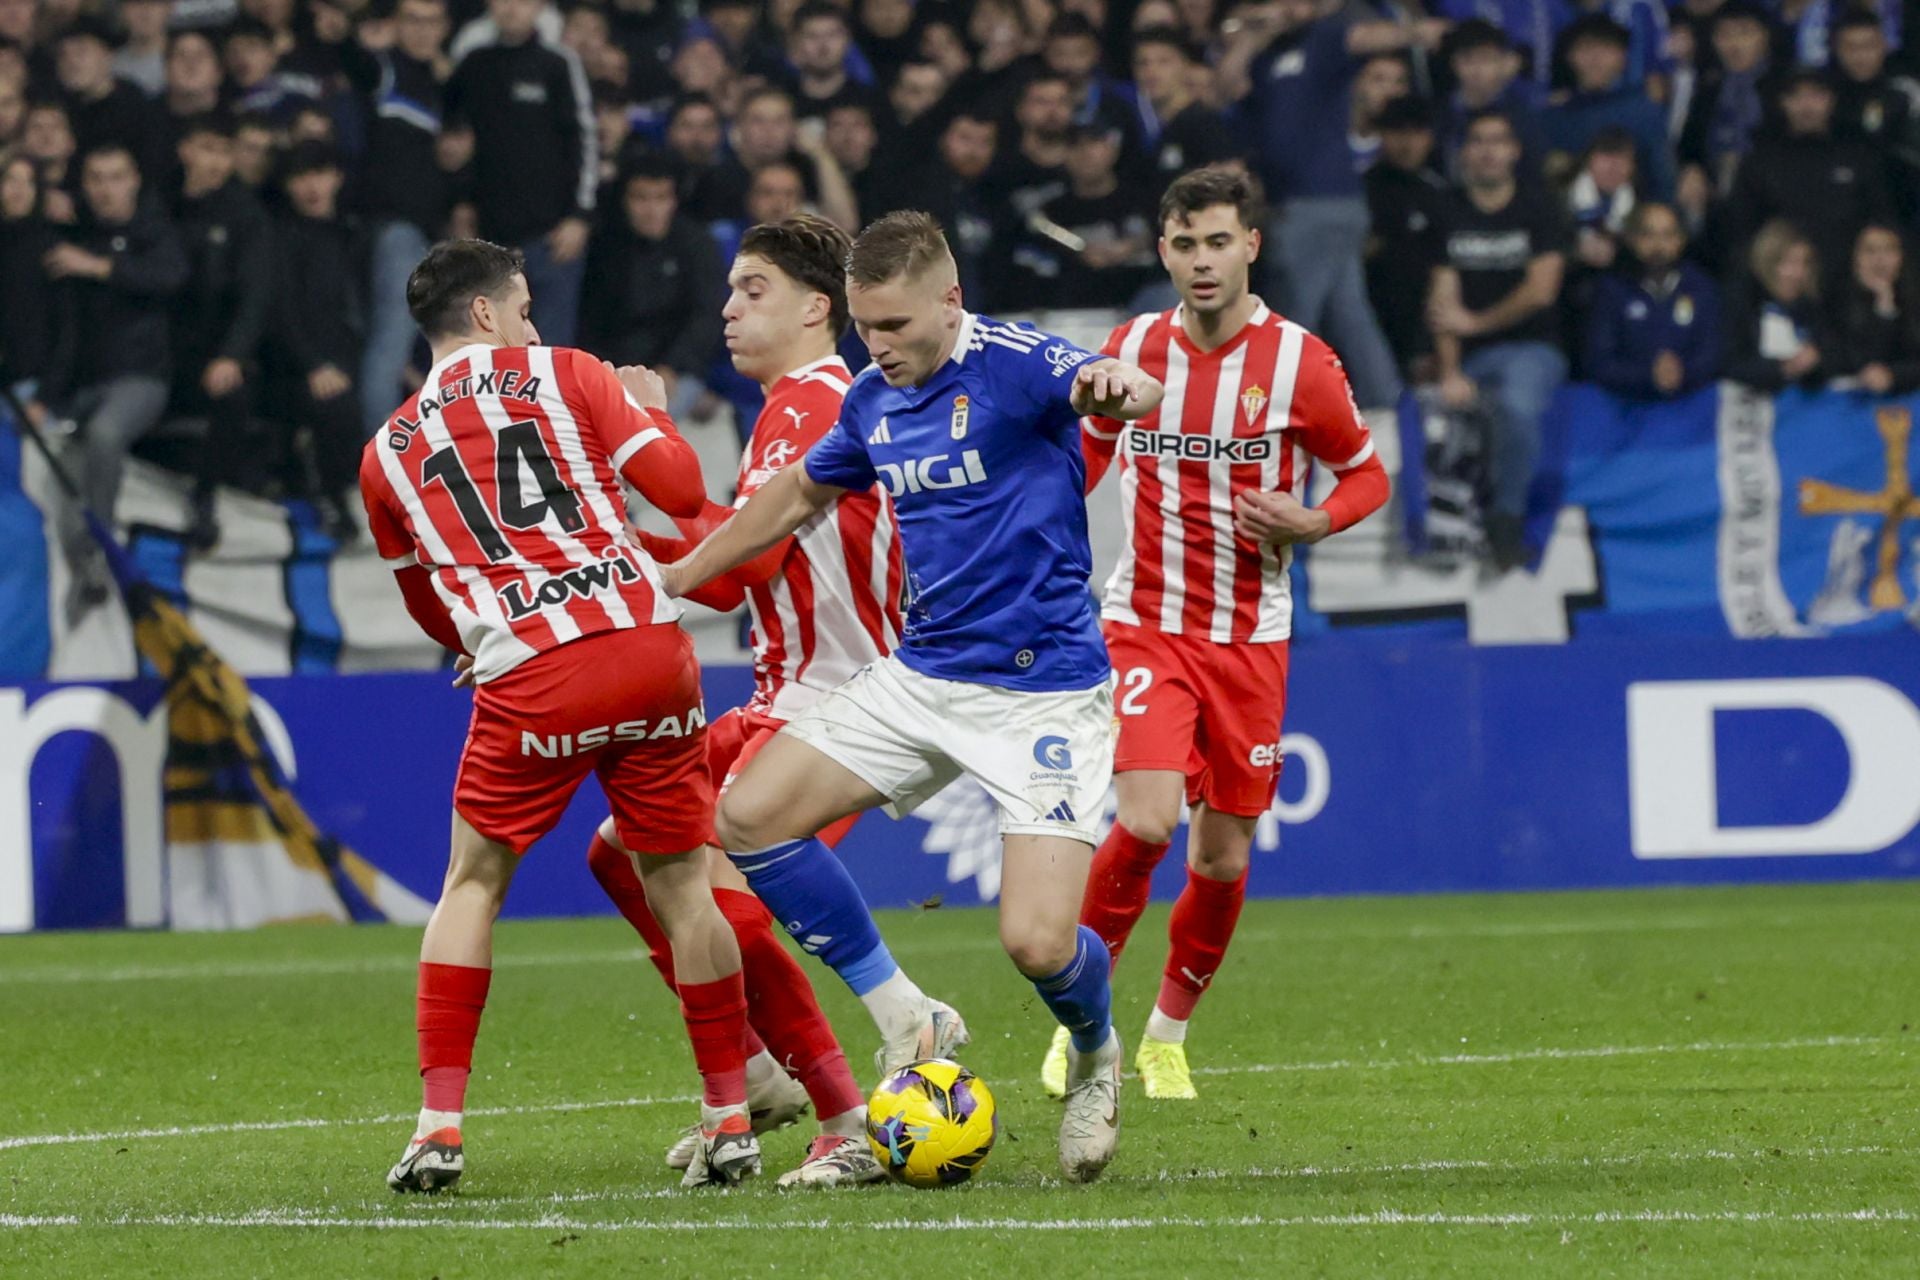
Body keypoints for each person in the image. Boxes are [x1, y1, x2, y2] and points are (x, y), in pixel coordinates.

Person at [660, 211, 1165, 1184]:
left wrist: (1121, 387)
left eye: (893, 327)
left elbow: (1118, 385)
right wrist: (686, 571)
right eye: (864, 325)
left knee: (1036, 939)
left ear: (950, 301)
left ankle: (1098, 1055)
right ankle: (907, 1010)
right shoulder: (868, 397)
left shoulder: (1017, 363)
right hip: (924, 673)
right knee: (749, 815)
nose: (876, 347)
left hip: (1043, 693)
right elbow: (796, 496)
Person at [361, 239, 756, 1193]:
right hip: (647, 653)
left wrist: (471, 644)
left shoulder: (387, 453)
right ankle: (730, 1116)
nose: (536, 324)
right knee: (684, 888)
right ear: (489, 315)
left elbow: (423, 599)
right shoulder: (571, 373)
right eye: (526, 307)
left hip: (533, 673)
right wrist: (655, 413)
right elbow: (678, 492)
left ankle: (439, 1127)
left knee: (472, 885)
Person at [1037, 164, 1388, 1102]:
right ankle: (1085, 1021)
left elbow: (1365, 475)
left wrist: (1312, 521)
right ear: (1164, 251)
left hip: (1250, 638)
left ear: (1251, 248)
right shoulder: (1135, 345)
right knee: (1148, 818)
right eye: (1185, 244)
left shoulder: (1300, 364)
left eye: (1218, 242)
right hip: (1145, 622)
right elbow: (1083, 460)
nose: (1202, 261)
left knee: (1220, 857)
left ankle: (1166, 1036)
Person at [588, 215, 903, 1189]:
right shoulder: (791, 405)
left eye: (753, 289)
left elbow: (748, 552)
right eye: (728, 289)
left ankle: (847, 1114)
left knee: (719, 884)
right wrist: (623, 533)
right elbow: (723, 578)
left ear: (819, 308)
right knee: (622, 851)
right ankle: (760, 1074)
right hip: (787, 689)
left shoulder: (816, 401)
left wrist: (654, 443)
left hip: (838, 699)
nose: (728, 307)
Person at [1219, 0, 1445, 407]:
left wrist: (1413, 32)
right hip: (1310, 204)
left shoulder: (1322, 38)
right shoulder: (1268, 55)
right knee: (1351, 318)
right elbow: (1226, 86)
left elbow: (1363, 37)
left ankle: (1282, 420)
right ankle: (1388, 411)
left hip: (1318, 203)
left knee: (1294, 319)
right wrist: (1253, 35)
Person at [41, 142, 187, 614]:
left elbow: (171, 277)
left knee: (104, 435)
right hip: (81, 386)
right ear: (84, 186)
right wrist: (45, 398)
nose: (106, 189)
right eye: (96, 179)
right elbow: (63, 331)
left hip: (141, 379)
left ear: (135, 181)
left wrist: (99, 268)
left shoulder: (154, 231)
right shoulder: (73, 237)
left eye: (116, 177)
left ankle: (97, 556)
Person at [1428, 109, 1569, 572]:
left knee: (1517, 406)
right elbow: (1443, 300)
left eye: (1498, 140)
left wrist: (1476, 325)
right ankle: (1432, 537)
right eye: (1478, 141)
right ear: (1465, 152)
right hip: (1469, 354)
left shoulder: (1540, 207)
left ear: (1514, 151)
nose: (1488, 150)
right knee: (1427, 411)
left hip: (1533, 348)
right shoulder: (1446, 208)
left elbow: (1542, 290)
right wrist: (1449, 370)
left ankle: (1506, 517)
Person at [444, 0, 597, 347]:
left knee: (552, 353)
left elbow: (584, 138)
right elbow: (452, 141)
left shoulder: (558, 64)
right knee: (488, 352)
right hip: (488, 241)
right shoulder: (472, 64)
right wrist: (460, 202)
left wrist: (580, 216)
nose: (511, 7)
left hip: (553, 237)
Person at [343, 0, 456, 432]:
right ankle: (379, 463)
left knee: (413, 351)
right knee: (388, 346)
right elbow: (353, 61)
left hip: (429, 234)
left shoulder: (441, 82)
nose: (423, 31)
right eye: (413, 20)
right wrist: (359, 36)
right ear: (395, 25)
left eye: (432, 22)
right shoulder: (385, 68)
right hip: (392, 229)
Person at [171, 115, 277, 550]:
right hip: (158, 347)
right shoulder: (158, 201)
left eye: (222, 151)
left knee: (232, 394)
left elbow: (256, 296)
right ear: (185, 151)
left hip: (212, 348)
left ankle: (205, 499)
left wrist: (232, 354)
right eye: (205, 149)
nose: (214, 161)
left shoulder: (245, 216)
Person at [266, 143, 367, 542]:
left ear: (337, 178)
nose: (312, 186)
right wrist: (312, 365)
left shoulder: (352, 233)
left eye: (320, 174)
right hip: (294, 366)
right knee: (335, 411)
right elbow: (280, 311)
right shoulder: (280, 236)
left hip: (344, 360)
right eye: (300, 177)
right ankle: (332, 501)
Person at [579, 155, 724, 423]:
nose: (651, 209)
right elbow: (588, 320)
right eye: (641, 198)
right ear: (624, 200)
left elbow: (707, 315)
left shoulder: (696, 244)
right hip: (611, 372)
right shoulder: (603, 247)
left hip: (678, 371)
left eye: (661, 198)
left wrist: (672, 367)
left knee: (647, 424)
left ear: (674, 201)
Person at [1722, 69, 1894, 288]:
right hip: (1779, 283)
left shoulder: (1859, 156)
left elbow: (1881, 222)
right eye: (1796, 96)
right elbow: (1742, 229)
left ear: (1831, 100)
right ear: (1782, 102)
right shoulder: (1761, 161)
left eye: (1816, 95)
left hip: (1848, 284)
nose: (1807, 105)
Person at [1584, 201, 1722, 398]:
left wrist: (1682, 373)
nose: (1658, 246)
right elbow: (1599, 361)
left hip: (1690, 405)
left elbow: (1712, 354)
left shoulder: (1701, 288)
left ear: (1680, 240)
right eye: (1648, 235)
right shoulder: (1613, 290)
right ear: (1632, 239)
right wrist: (1647, 374)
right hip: (1627, 407)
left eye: (1667, 235)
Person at [1542, 14, 1673, 199]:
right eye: (1586, 48)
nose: (1596, 58)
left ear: (1623, 58)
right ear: (1570, 56)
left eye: (1606, 48)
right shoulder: (1552, 117)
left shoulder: (1644, 111)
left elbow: (1662, 179)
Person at [1365, 95, 1448, 379]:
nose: (1407, 143)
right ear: (1382, 136)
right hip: (1371, 322)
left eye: (1417, 133)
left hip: (1422, 328)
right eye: (1397, 132)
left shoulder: (1439, 193)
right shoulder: (1360, 191)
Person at [1723, 219, 1829, 391]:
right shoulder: (1743, 302)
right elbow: (1730, 363)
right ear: (1768, 262)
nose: (1798, 273)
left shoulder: (1811, 308)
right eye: (1790, 263)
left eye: (1805, 263)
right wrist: (1783, 369)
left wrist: (1816, 361)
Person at [1827, 222, 1920, 395]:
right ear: (1856, 258)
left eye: (1888, 250)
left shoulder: (1913, 302)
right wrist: (1882, 312)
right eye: (1870, 251)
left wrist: (1894, 376)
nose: (1879, 260)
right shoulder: (1835, 306)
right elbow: (1855, 360)